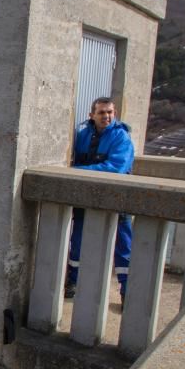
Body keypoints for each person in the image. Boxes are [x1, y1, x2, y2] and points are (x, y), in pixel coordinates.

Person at [65, 97, 134, 303]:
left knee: (123, 246)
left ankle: (126, 290)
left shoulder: (121, 137)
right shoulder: (83, 135)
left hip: (117, 198)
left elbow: (116, 169)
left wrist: (77, 171)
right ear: (91, 115)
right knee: (77, 241)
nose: (106, 116)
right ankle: (74, 281)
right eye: (102, 113)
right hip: (87, 199)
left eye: (110, 112)